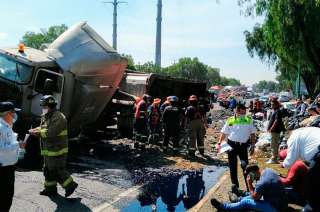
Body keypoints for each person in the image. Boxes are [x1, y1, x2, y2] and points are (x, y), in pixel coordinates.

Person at [29, 95, 78, 197]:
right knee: (47, 169)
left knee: (56, 170)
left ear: (50, 106)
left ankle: (70, 185)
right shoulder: (47, 115)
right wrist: (36, 129)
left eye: (44, 106)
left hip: (57, 149)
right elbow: (44, 127)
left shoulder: (59, 117)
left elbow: (51, 132)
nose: (43, 108)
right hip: (49, 149)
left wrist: (37, 133)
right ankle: (50, 189)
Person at [211, 165, 288, 212]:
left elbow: (255, 197)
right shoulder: (268, 170)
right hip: (281, 202)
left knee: (246, 202)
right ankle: (237, 200)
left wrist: (249, 183)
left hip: (276, 208)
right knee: (247, 198)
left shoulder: (261, 183)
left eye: (249, 175)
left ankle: (224, 207)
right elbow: (258, 194)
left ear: (252, 174)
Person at [215, 103, 256, 190]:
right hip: (231, 145)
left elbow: (252, 133)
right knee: (232, 166)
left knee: (245, 165)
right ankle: (235, 187)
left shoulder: (248, 120)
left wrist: (253, 145)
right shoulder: (230, 120)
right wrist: (219, 143)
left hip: (243, 146)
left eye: (244, 113)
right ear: (237, 111)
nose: (243, 115)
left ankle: (249, 187)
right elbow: (224, 132)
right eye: (242, 113)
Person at [282, 127, 320, 212]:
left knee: (313, 181)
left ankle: (310, 207)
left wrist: (281, 168)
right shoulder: (306, 131)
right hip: (317, 152)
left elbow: (289, 163)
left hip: (318, 155)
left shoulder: (294, 138)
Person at [0, 102, 24, 212]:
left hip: (9, 167)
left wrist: (20, 149)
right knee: (4, 198)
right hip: (2, 169)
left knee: (7, 196)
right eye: (13, 113)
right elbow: (1, 147)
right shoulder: (0, 127)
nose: (15, 115)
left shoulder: (7, 125)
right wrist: (17, 145)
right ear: (7, 114)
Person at [267, 99, 284, 164]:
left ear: (276, 105)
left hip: (275, 130)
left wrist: (271, 128)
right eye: (271, 104)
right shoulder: (275, 111)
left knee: (274, 144)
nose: (271, 105)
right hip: (274, 130)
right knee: (273, 144)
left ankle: (274, 159)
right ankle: (274, 157)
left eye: (272, 104)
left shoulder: (277, 111)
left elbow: (276, 121)